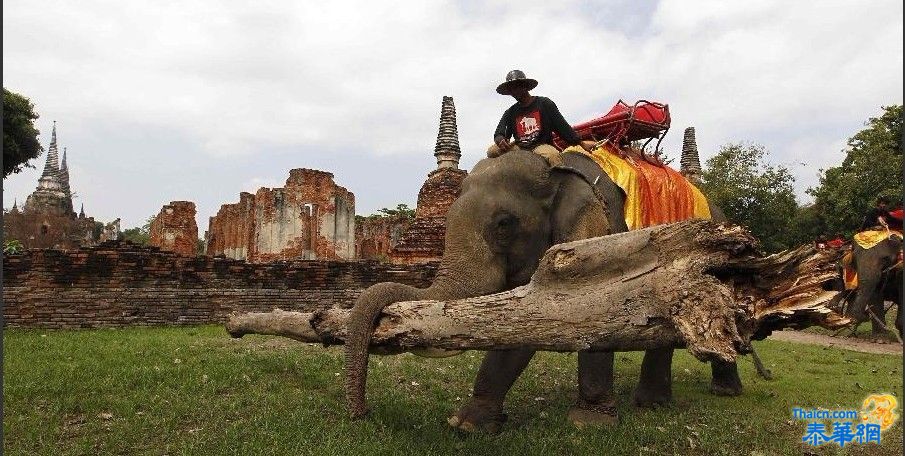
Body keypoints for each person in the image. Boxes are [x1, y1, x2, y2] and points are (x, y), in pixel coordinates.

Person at [488, 70, 589, 166]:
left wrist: (581, 143)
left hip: (540, 145)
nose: (514, 91)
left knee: (553, 156)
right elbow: (499, 133)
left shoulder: (544, 103)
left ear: (526, 86)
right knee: (491, 151)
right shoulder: (510, 112)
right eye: (511, 89)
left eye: (517, 86)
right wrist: (500, 139)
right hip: (520, 147)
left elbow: (562, 126)